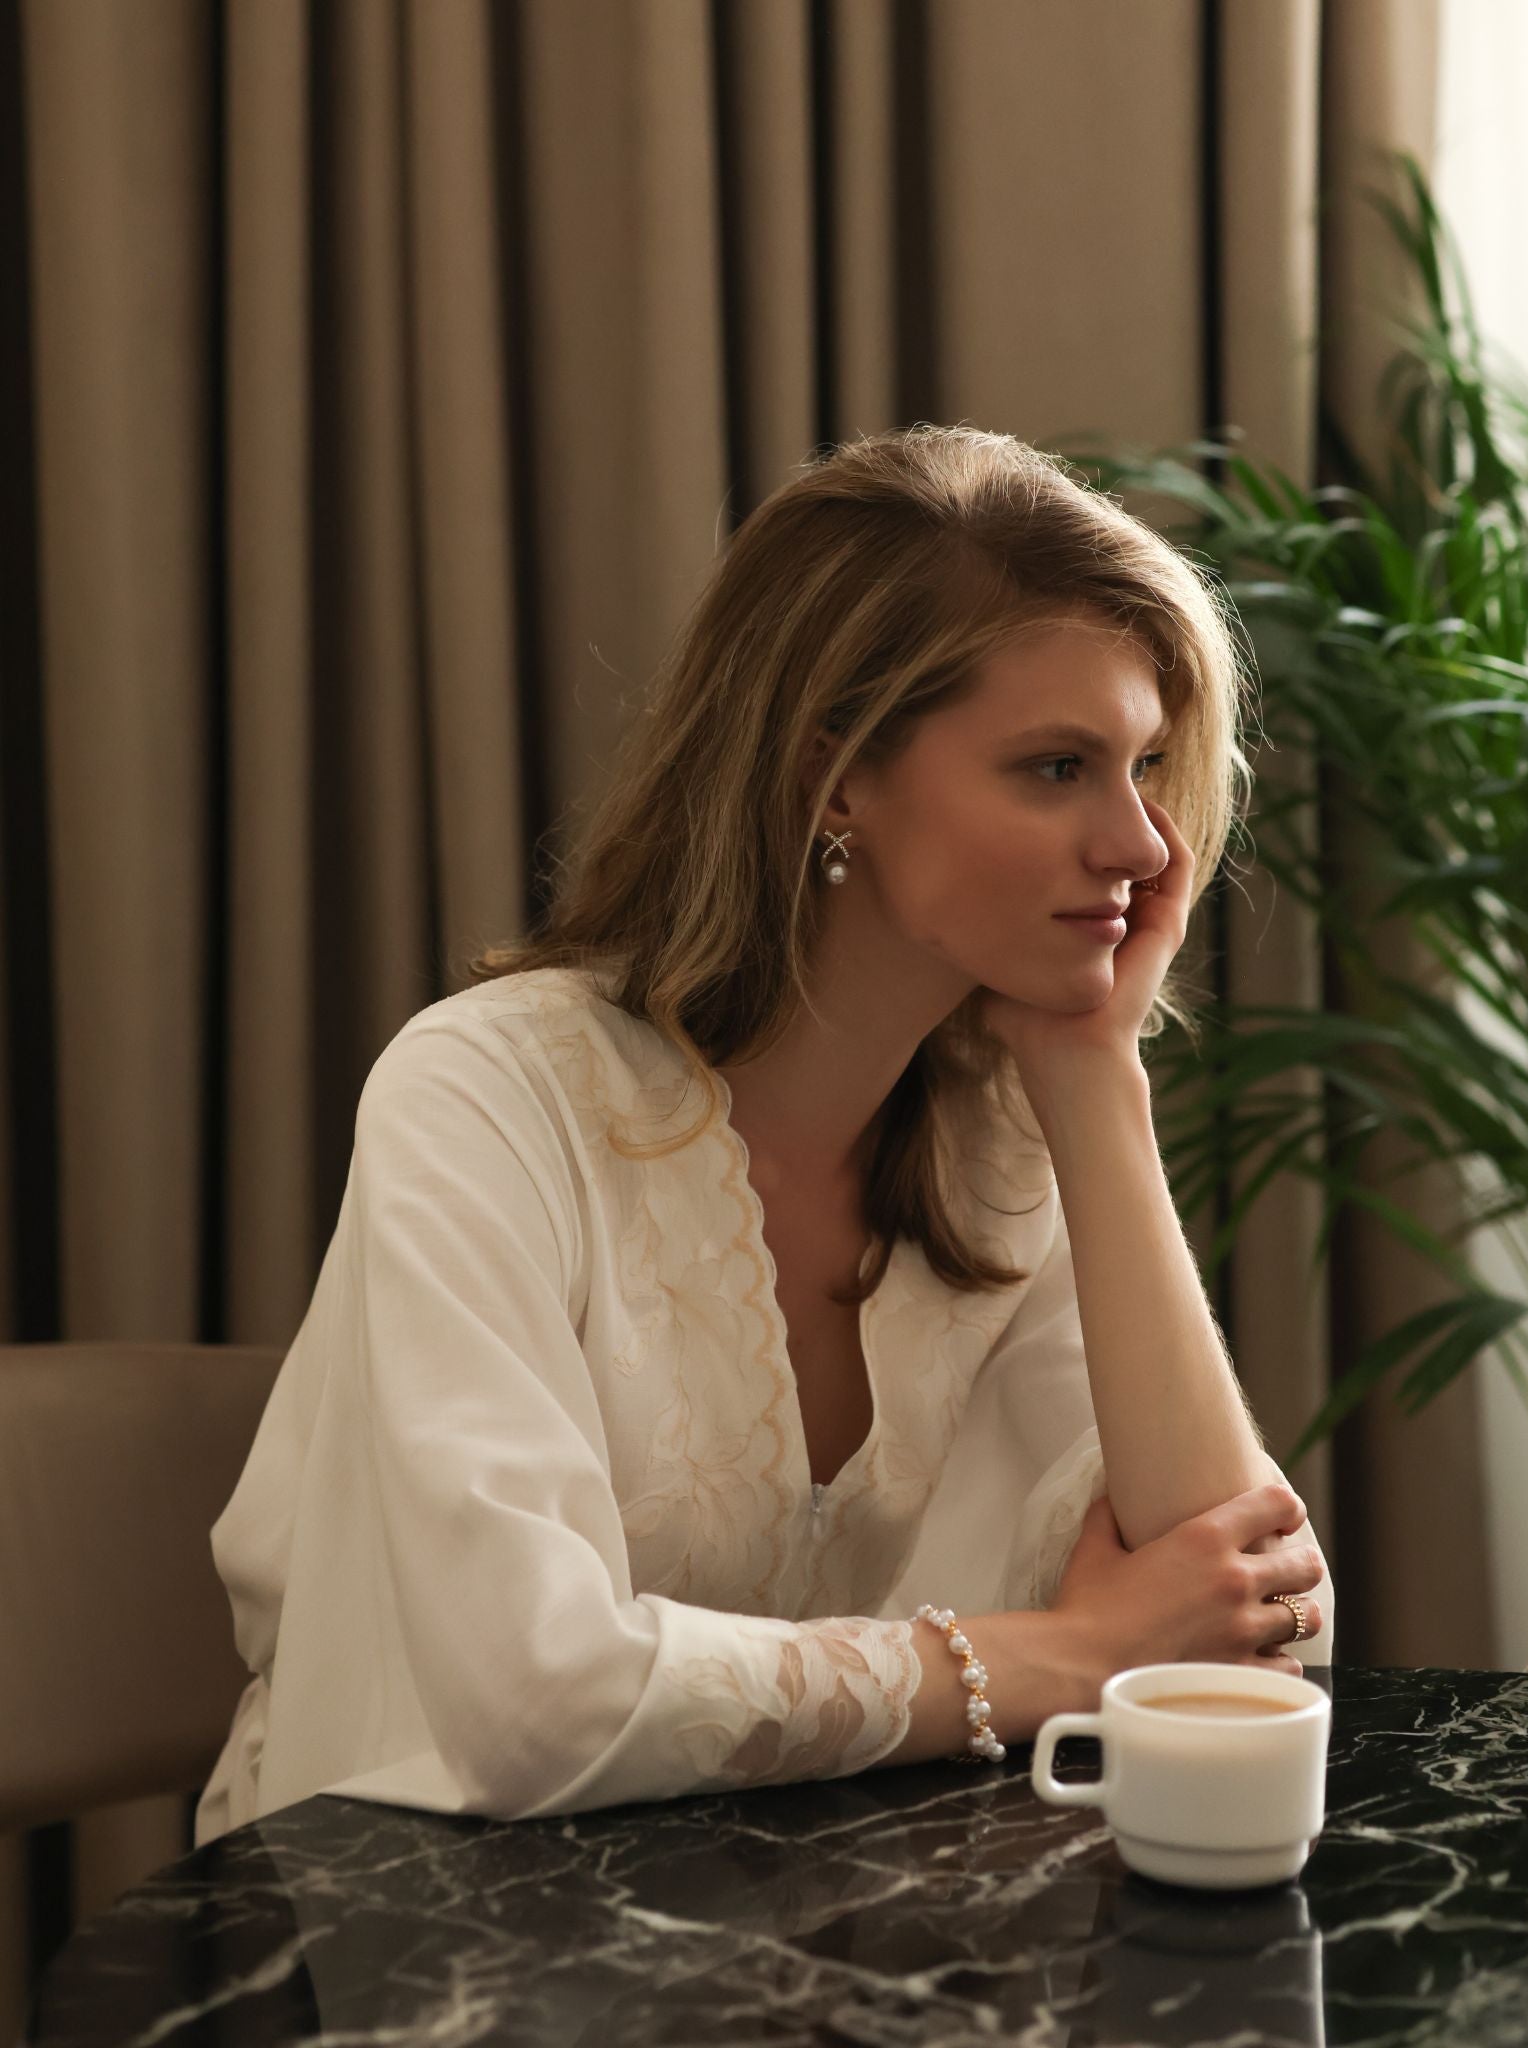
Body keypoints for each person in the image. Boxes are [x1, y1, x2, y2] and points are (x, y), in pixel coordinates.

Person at [194, 423, 1332, 1844]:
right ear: (831, 777)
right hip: (395, 1936)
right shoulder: (486, 1096)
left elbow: (1250, 1633)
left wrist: (1095, 1078)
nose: (1145, 847)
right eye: (1055, 769)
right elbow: (530, 1697)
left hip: (811, 1937)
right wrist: (1063, 1658)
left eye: (1145, 765)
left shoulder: (1004, 1140)